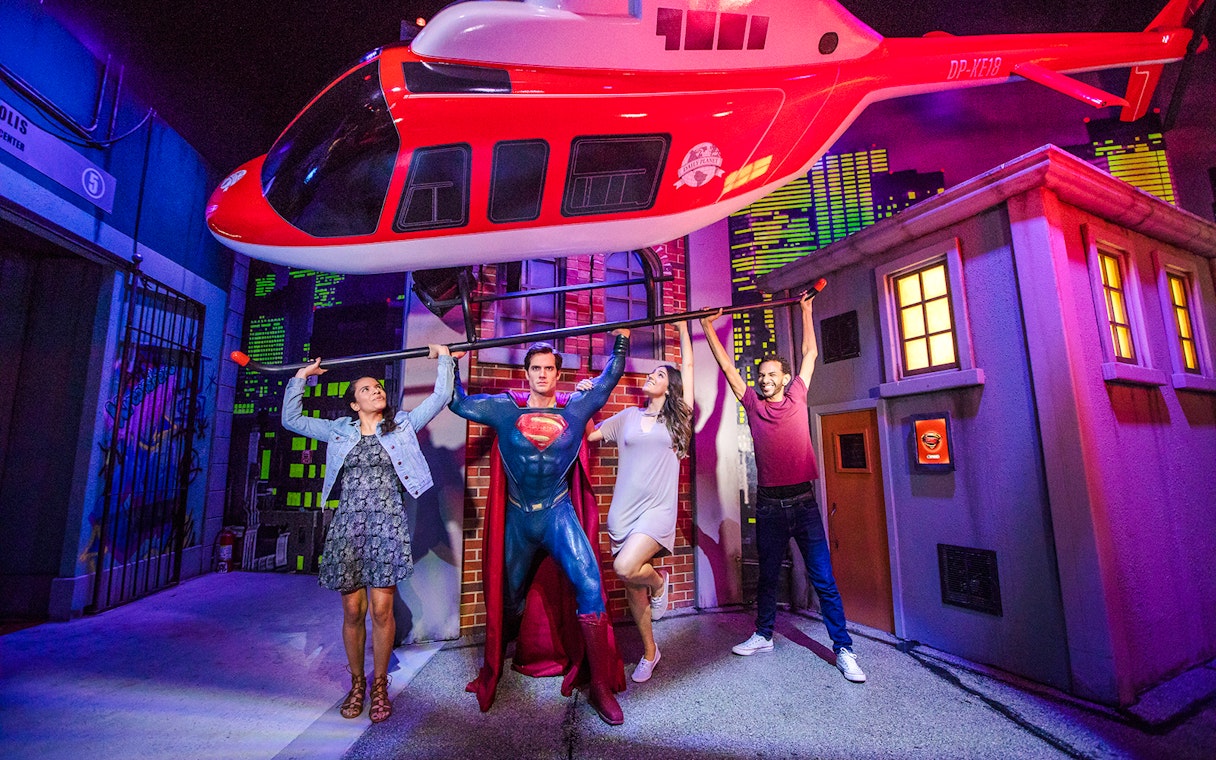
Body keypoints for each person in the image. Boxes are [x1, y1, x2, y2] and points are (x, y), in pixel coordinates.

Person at [450, 331, 630, 725]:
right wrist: (451, 363)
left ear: (557, 373)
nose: (543, 374)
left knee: (590, 585)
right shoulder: (504, 409)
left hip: (557, 514)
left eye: (549, 368)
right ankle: (499, 664)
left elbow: (609, 380)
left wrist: (621, 341)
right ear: (527, 372)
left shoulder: (576, 409)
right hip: (518, 518)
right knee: (509, 597)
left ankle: (600, 686)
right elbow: (459, 403)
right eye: (536, 368)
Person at [282, 346, 456, 723]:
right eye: (366, 389)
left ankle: (379, 685)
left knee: (381, 609)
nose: (376, 390)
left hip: (387, 524)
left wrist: (444, 357)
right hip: (349, 525)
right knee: (352, 609)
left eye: (378, 386)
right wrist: (300, 378)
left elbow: (441, 395)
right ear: (354, 404)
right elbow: (291, 420)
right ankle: (356, 683)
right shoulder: (338, 430)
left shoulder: (402, 424)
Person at [700, 291, 866, 683]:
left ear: (785, 379)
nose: (765, 379)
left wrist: (807, 310)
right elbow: (727, 368)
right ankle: (763, 635)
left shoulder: (797, 396)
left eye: (772, 374)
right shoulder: (753, 404)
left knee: (823, 579)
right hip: (769, 505)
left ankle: (844, 650)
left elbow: (810, 352)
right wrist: (707, 326)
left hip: (803, 503)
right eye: (761, 375)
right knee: (769, 576)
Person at [579, 321, 693, 683]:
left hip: (657, 510)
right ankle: (650, 652)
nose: (651, 376)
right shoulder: (628, 417)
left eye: (660, 374)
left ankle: (659, 583)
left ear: (670, 388)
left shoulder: (678, 421)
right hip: (623, 513)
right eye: (652, 372)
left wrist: (683, 329)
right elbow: (592, 435)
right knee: (631, 586)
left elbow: (688, 367)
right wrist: (585, 399)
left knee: (626, 567)